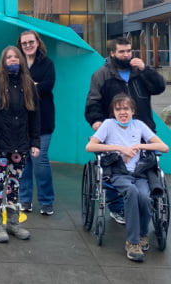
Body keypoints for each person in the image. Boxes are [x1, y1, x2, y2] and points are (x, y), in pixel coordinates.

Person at [84, 37, 166, 224]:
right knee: (115, 170)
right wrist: (96, 121)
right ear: (112, 53)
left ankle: (149, 202)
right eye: (122, 52)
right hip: (115, 133)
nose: (127, 55)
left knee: (146, 169)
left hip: (142, 129)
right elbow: (93, 100)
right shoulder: (101, 75)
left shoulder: (140, 72)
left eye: (129, 51)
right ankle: (117, 208)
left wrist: (146, 70)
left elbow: (160, 87)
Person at [86, 94, 168, 262]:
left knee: (145, 197)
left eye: (126, 109)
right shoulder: (108, 125)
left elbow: (163, 147)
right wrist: (119, 148)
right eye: (118, 109)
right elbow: (90, 146)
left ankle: (143, 234)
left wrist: (139, 145)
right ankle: (132, 242)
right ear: (113, 112)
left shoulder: (139, 125)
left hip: (139, 173)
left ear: (133, 111)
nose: (122, 112)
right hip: (118, 172)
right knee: (131, 191)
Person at [0, 46, 40, 243]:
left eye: (16, 57)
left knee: (15, 184)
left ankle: (13, 223)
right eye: (9, 57)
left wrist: (35, 141)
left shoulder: (28, 84)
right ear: (3, 60)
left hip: (21, 144)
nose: (13, 60)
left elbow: (35, 116)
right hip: (0, 145)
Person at [17, 30, 56, 215]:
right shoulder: (17, 63)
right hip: (22, 121)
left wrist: (32, 87)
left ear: (38, 43)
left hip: (43, 120)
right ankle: (24, 200)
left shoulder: (46, 63)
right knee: (23, 163)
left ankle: (46, 200)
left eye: (31, 42)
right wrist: (34, 86)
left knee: (40, 161)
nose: (28, 45)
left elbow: (49, 84)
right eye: (24, 43)